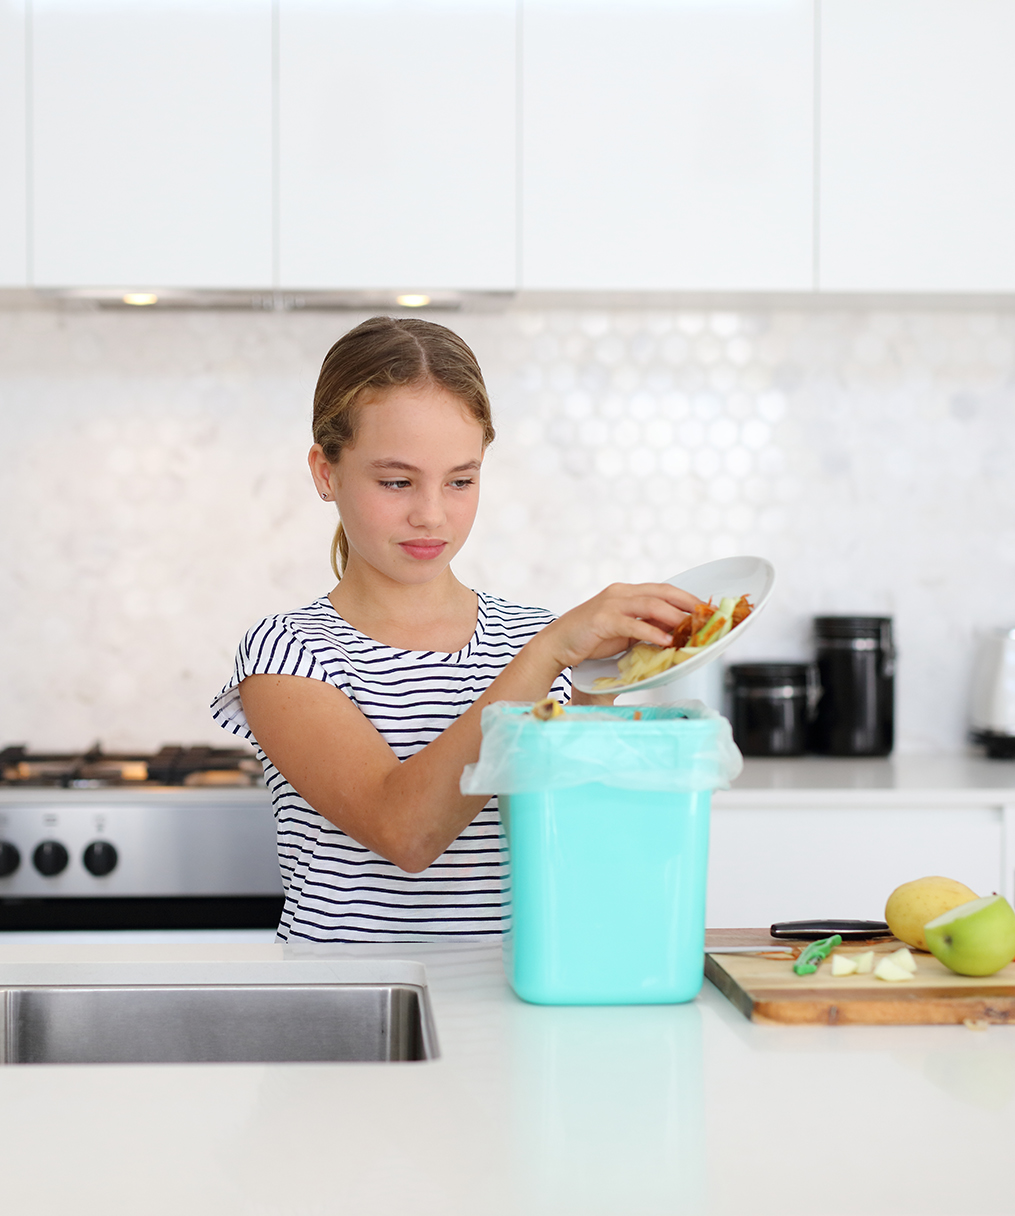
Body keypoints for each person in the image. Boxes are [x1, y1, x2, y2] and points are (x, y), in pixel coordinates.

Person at [210, 316, 700, 942]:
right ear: (326, 472)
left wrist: (604, 679)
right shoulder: (289, 651)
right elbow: (407, 833)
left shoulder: (535, 639)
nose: (431, 514)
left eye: (461, 480)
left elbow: (580, 839)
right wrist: (551, 655)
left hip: (518, 1004)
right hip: (357, 1015)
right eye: (396, 481)